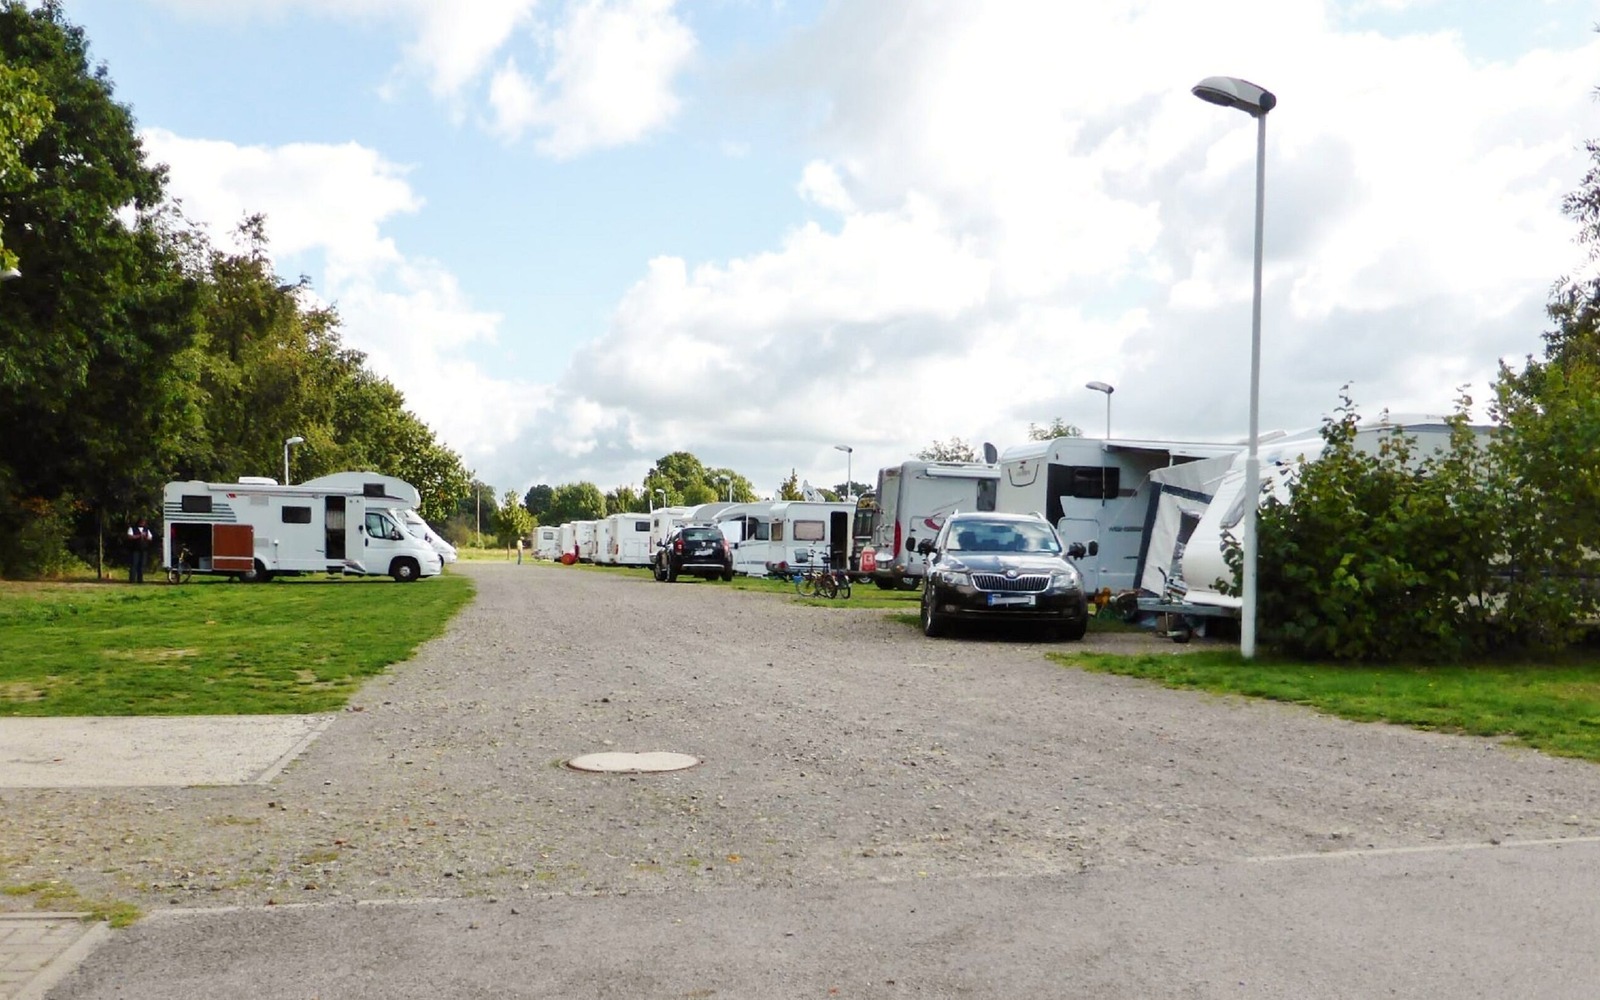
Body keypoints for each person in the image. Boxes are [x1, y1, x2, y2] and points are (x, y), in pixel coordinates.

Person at [127, 518, 154, 583]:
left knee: (142, 565)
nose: (143, 523)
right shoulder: (132, 528)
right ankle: (132, 579)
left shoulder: (146, 529)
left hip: (144, 549)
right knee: (134, 564)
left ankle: (140, 580)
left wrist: (145, 537)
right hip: (135, 549)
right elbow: (130, 536)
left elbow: (150, 538)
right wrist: (139, 536)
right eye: (142, 522)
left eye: (144, 522)